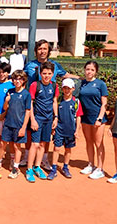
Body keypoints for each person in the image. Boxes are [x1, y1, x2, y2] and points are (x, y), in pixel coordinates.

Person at [23, 39, 78, 169]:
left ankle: (44, 159)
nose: (42, 51)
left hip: (48, 105)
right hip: (34, 104)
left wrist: (82, 78)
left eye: (45, 49)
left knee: (46, 135)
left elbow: (66, 75)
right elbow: (21, 78)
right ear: (36, 51)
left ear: (48, 51)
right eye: (40, 49)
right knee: (31, 132)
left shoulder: (55, 65)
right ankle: (27, 157)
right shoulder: (30, 65)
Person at [26, 61, 59, 183]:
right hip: (38, 118)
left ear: (52, 74)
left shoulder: (54, 86)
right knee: (34, 144)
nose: (46, 76)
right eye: (44, 73)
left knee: (43, 144)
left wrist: (56, 117)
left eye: (49, 73)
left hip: (49, 119)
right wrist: (32, 119)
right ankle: (29, 169)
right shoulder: (35, 85)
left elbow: (55, 102)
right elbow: (30, 103)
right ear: (40, 73)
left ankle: (37, 166)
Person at [0, 70, 31, 179]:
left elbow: (28, 111)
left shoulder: (26, 94)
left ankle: (16, 167)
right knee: (3, 143)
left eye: (20, 79)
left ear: (24, 80)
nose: (17, 81)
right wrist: (6, 101)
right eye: (15, 79)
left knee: (17, 146)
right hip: (8, 123)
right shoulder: (10, 92)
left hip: (19, 125)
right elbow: (5, 108)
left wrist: (23, 127)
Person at [47, 78, 83, 180]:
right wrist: (53, 127)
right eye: (65, 88)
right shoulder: (58, 101)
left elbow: (78, 116)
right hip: (59, 129)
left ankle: (65, 167)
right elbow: (54, 114)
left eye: (69, 88)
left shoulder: (76, 102)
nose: (67, 90)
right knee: (56, 148)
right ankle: (54, 169)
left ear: (73, 89)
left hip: (70, 130)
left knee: (68, 149)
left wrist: (77, 130)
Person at [79, 61, 108, 179]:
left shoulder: (101, 84)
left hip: (98, 118)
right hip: (85, 117)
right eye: (87, 69)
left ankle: (100, 168)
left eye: (92, 69)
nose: (89, 72)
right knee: (89, 142)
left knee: (98, 143)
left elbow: (104, 103)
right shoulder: (82, 83)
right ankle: (91, 164)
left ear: (96, 71)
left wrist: (99, 118)